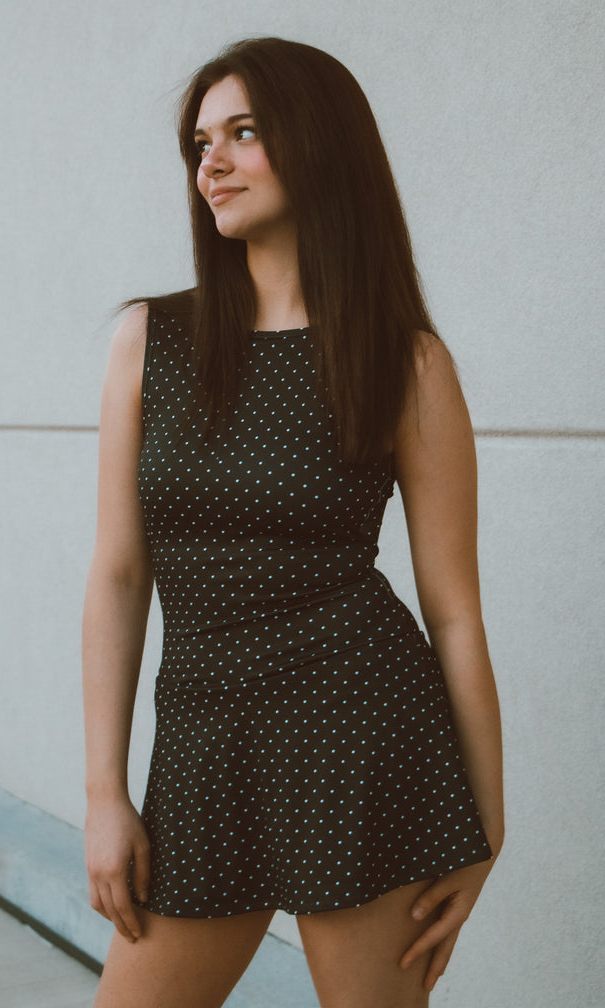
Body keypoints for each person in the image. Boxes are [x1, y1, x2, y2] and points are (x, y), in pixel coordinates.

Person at [82, 37, 504, 1008]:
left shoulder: (405, 361)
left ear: (319, 144)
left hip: (361, 739)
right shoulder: (150, 339)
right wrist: (105, 792)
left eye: (243, 133)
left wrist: (486, 827)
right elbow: (118, 574)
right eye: (201, 143)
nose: (212, 164)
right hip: (202, 747)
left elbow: (454, 613)